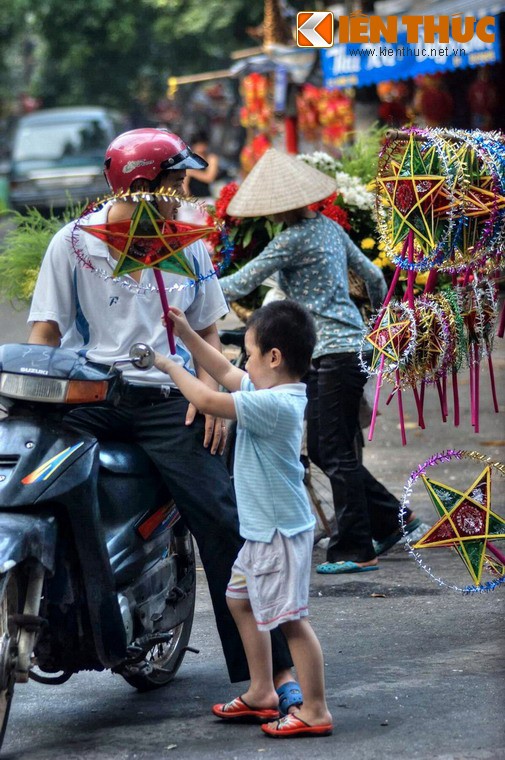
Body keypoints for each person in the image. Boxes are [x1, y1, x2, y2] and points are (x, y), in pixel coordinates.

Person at [26, 128, 299, 698]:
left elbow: (204, 329)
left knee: (224, 518)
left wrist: (212, 398)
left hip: (168, 401)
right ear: (142, 185)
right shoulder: (73, 243)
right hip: (94, 396)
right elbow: (46, 334)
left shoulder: (189, 244)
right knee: (34, 480)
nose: (184, 193)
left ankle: (271, 674)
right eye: (176, 182)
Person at [217, 148, 422, 574]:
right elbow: (374, 275)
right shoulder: (329, 228)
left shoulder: (291, 239)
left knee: (332, 452)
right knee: (336, 450)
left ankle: (355, 548)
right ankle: (391, 519)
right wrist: (372, 319)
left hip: (329, 354)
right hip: (351, 348)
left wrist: (193, 288)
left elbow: (242, 281)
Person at [154, 300, 333, 738]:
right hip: (260, 532)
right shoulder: (269, 390)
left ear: (274, 357)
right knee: (239, 599)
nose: (243, 362)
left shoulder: (276, 405)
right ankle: (261, 691)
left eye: (249, 353)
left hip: (279, 534)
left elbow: (206, 395)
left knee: (291, 621)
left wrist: (165, 363)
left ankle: (315, 709)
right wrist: (186, 335)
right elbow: (225, 373)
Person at [178, 130, 220, 225]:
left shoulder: (211, 158)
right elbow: (184, 181)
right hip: (191, 200)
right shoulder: (188, 159)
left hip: (206, 198)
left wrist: (193, 172)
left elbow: (209, 177)